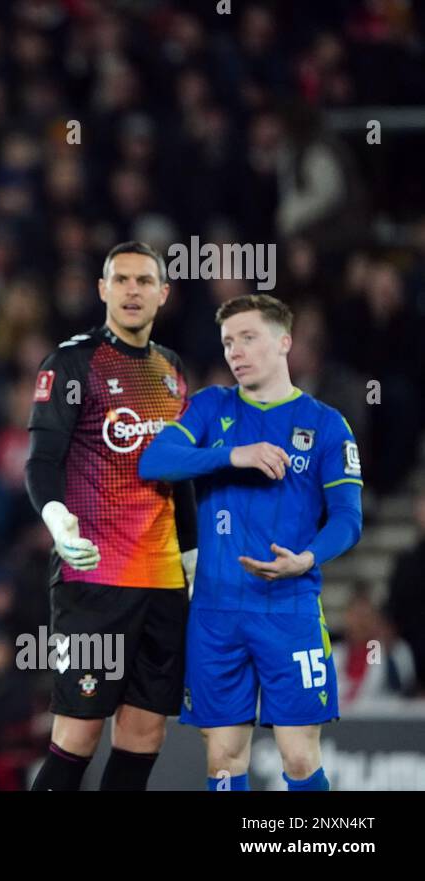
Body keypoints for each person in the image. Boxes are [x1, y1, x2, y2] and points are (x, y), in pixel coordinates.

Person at [140, 293, 363, 791]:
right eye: (227, 342)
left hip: (290, 607)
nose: (235, 352)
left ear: (284, 342)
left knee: (299, 758)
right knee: (223, 760)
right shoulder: (210, 407)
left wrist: (306, 559)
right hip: (215, 612)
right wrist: (231, 455)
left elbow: (349, 519)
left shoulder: (326, 424)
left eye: (248, 338)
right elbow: (153, 462)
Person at [25, 242, 198, 792]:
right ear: (102, 289)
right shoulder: (72, 364)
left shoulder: (172, 371)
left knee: (145, 734)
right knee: (78, 733)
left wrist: (193, 561)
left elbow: (184, 476)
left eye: (144, 281)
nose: (132, 290)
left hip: (165, 580)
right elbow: (42, 461)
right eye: (120, 279)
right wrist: (56, 518)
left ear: (163, 294)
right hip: (94, 577)